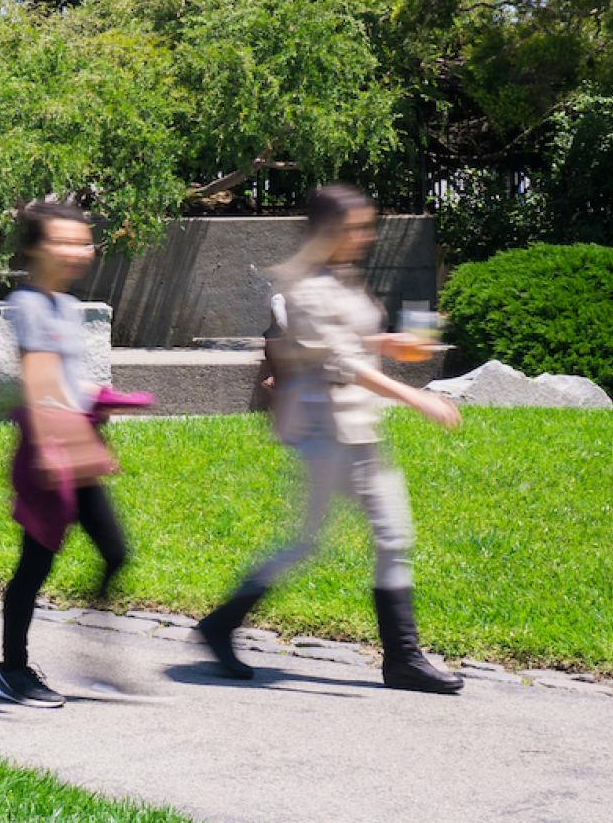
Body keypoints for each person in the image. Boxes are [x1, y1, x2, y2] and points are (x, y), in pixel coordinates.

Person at [196, 184, 466, 694]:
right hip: (326, 430)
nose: (365, 235)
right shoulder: (304, 288)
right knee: (327, 540)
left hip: (354, 427)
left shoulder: (341, 279)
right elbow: (339, 362)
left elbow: (354, 343)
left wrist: (390, 343)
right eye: (354, 227)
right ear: (327, 231)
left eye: (366, 225)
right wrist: (418, 398)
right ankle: (400, 658)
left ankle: (401, 658)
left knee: (374, 536)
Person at [0, 202, 134, 708]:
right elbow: (39, 377)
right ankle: (12, 668)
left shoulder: (68, 306)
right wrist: (55, 443)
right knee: (35, 565)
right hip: (47, 452)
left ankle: (94, 656)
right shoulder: (28, 303)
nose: (79, 251)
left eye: (83, 241)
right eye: (64, 241)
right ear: (34, 249)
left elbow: (66, 380)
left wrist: (100, 398)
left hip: (76, 445)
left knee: (115, 552)